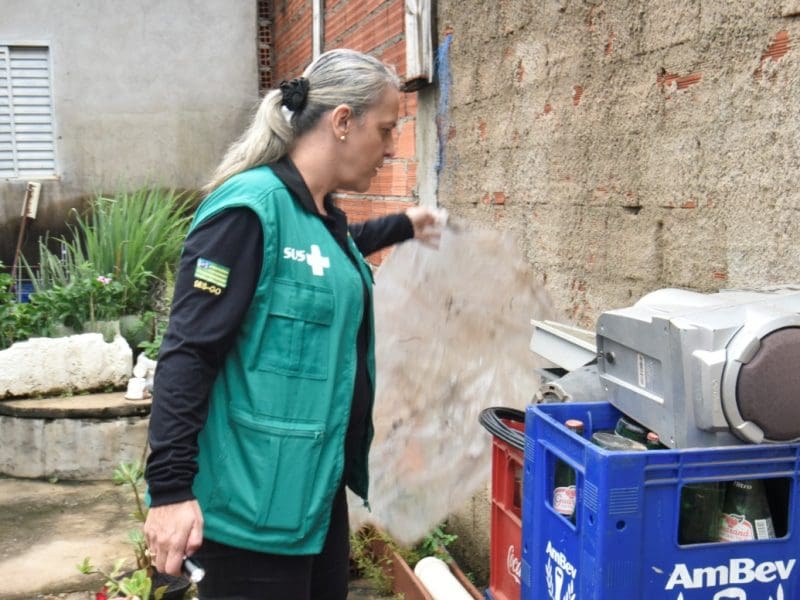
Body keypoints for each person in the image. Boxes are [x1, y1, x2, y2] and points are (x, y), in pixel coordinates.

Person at [143, 48, 440, 600]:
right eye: (386, 129)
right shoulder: (249, 211)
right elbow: (188, 352)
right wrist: (169, 492)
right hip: (249, 510)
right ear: (343, 122)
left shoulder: (317, 214)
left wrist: (404, 224)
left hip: (312, 497)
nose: (391, 148)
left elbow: (329, 255)